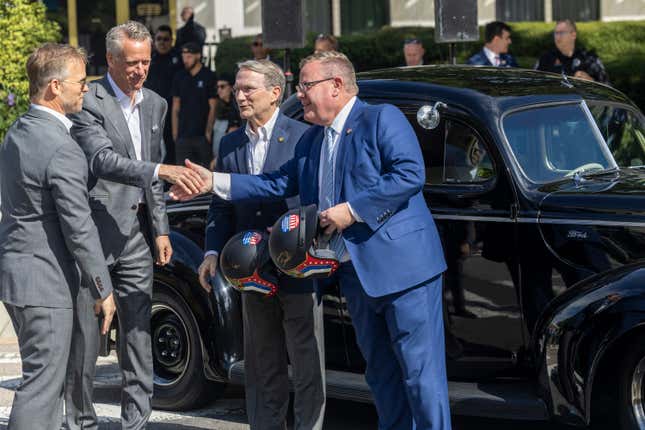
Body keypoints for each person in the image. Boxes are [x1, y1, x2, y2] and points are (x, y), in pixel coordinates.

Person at [172, 51, 452, 430]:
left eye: (306, 85)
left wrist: (350, 210)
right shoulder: (313, 141)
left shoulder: (379, 117)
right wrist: (213, 182)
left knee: (421, 378)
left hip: (405, 272)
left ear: (336, 86)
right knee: (381, 376)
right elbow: (274, 182)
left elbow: (409, 174)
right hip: (356, 276)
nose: (299, 94)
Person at [65, 21, 204, 430]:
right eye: (131, 62)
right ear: (110, 60)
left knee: (139, 332)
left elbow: (152, 179)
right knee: (88, 337)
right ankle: (80, 422)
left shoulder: (156, 104)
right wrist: (162, 169)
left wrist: (160, 228)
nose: (140, 69)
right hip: (94, 234)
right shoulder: (90, 101)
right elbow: (102, 160)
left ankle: (136, 422)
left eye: (145, 61)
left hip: (137, 237)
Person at [199, 59, 325, 430]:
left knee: (305, 363)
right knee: (262, 362)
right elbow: (220, 206)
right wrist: (210, 252)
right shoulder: (231, 142)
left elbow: (314, 197)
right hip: (250, 269)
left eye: (247, 88)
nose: (239, 96)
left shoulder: (305, 136)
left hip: (298, 266)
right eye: (237, 89)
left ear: (274, 92)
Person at [0, 43, 116, 430]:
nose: (86, 88)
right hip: (46, 285)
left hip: (19, 277)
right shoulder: (61, 147)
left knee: (42, 389)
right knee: (41, 392)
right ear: (53, 87)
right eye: (80, 82)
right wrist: (104, 287)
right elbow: (79, 227)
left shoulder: (18, 130)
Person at [172, 41, 217, 167]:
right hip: (183, 136)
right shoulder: (179, 76)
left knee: (205, 175)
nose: (185, 60)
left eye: (189, 56)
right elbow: (175, 106)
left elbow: (213, 107)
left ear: (198, 56)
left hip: (202, 136)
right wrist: (175, 133)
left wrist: (208, 132)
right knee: (183, 175)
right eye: (183, 56)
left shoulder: (209, 76)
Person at [145, 24, 183, 163]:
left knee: (171, 146)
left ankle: (167, 183)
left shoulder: (178, 59)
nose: (162, 42)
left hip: (171, 110)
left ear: (171, 41)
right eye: (159, 38)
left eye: (166, 39)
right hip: (151, 109)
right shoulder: (148, 59)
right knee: (150, 146)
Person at [535, 19, 609, 83]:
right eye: (555, 33)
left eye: (561, 33)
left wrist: (591, 81)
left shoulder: (588, 58)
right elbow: (534, 84)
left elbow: (607, 87)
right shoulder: (545, 58)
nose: (557, 37)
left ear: (573, 35)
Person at [210, 72, 240, 167]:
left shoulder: (236, 106)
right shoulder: (223, 105)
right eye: (217, 87)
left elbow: (232, 133)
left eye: (222, 86)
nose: (219, 90)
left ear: (231, 87)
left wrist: (218, 158)